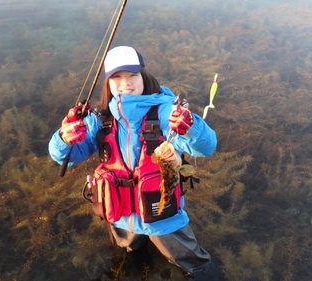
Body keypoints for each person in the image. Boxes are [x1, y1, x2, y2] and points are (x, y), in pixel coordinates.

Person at [48, 46, 220, 280]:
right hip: (119, 214)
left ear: (143, 77)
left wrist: (191, 126)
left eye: (132, 75)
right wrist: (63, 138)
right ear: (108, 83)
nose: (125, 83)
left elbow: (206, 146)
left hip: (163, 218)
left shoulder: (164, 111)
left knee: (194, 264)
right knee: (130, 255)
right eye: (116, 77)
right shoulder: (99, 119)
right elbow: (65, 158)